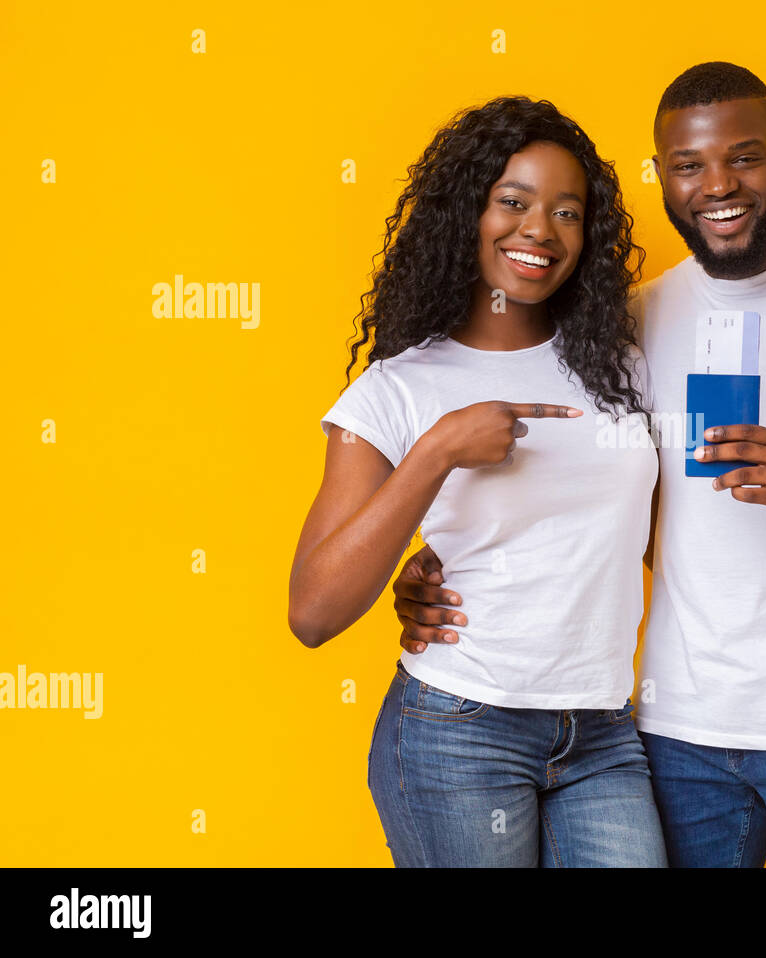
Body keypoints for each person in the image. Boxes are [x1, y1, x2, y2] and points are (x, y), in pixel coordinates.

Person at [394, 63, 766, 868]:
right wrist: (453, 560)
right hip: (675, 735)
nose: (718, 186)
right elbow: (605, 497)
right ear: (662, 176)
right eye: (689, 166)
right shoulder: (634, 319)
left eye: (743, 158)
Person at [288, 96, 668, 867]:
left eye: (567, 211)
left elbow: (673, 527)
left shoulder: (625, 366)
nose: (539, 230)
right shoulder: (394, 390)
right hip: (459, 730)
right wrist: (435, 453)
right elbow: (313, 611)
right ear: (468, 212)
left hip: (600, 727)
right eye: (513, 202)